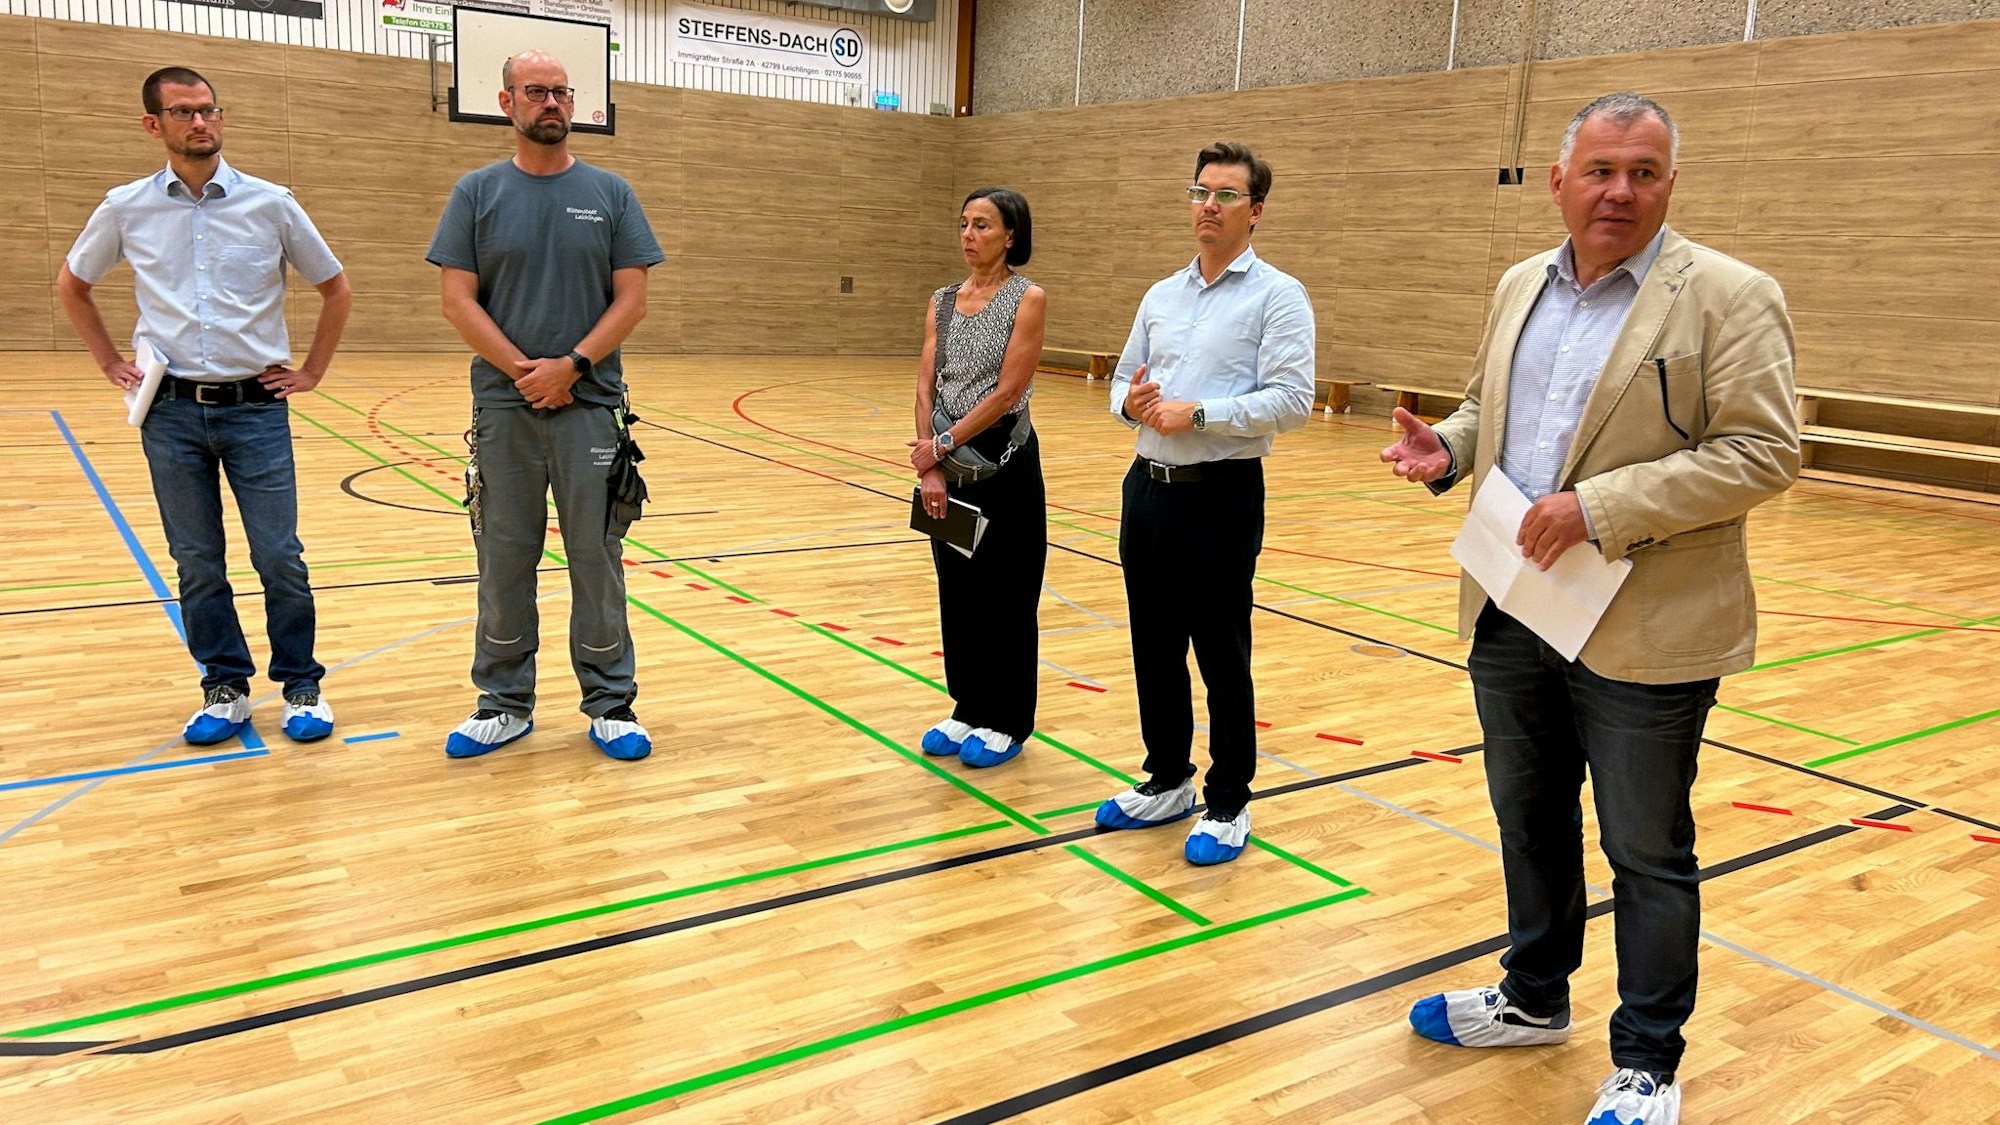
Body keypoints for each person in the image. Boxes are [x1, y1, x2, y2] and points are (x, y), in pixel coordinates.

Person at [1383, 93, 1800, 1125]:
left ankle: (1647, 1062)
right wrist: (1451, 446)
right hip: (1510, 601)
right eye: (1600, 169)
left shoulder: (1730, 296)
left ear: (1669, 184)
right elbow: (1498, 408)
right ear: (1559, 177)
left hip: (1645, 622)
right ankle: (1531, 1001)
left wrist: (1597, 509)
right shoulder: (1519, 283)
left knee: (1642, 848)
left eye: (1642, 171)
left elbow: (1762, 451)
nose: (1619, 189)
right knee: (1526, 822)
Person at [56, 66, 353, 747]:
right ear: (152, 125)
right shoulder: (127, 207)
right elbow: (73, 285)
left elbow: (336, 288)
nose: (200, 122)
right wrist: (108, 360)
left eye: (209, 110)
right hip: (169, 412)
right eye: (184, 112)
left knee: (280, 554)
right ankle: (224, 687)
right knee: (196, 558)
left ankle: (302, 684)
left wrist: (311, 370)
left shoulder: (271, 203)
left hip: (256, 409)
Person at [425, 50, 665, 761]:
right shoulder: (476, 193)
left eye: (561, 92)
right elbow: (456, 300)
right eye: (536, 92)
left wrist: (574, 366)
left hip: (590, 406)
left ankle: (611, 702)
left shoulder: (613, 194)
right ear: (506, 103)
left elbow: (633, 298)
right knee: (504, 557)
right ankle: (503, 701)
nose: (551, 103)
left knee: (597, 555)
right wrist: (527, 372)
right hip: (505, 408)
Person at [1092, 141, 1315, 866]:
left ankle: (1228, 799)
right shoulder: (1162, 294)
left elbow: (1292, 400)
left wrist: (1201, 413)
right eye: (1199, 192)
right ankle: (1166, 778)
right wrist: (1132, 402)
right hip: (1146, 491)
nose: (1208, 205)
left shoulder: (1277, 295)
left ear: (1255, 210)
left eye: (1225, 194)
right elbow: (1121, 380)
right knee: (1153, 645)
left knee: (1221, 652)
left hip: (1221, 496)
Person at [909, 188, 1047, 769]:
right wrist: (933, 465)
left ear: (1010, 235)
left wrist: (945, 442)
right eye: (964, 223)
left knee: (1007, 594)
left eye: (983, 225)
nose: (969, 235)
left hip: (1003, 464)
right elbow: (924, 384)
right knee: (957, 591)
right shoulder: (943, 300)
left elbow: (1008, 391)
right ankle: (968, 705)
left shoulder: (1027, 297)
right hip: (946, 463)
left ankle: (1008, 719)